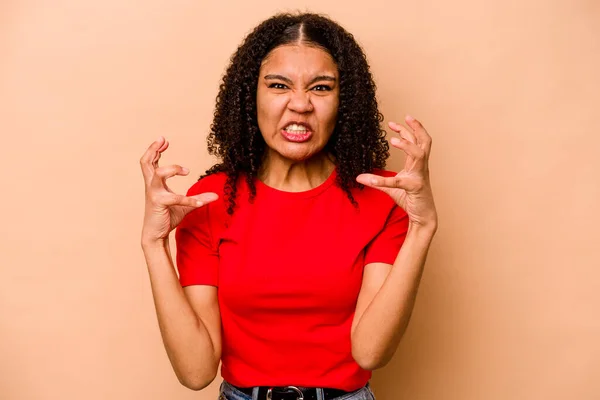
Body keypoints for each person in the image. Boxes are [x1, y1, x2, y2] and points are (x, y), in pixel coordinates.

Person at [140, 12, 437, 400]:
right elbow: (195, 371)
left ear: (344, 102)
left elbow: (370, 350)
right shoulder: (209, 199)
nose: (300, 104)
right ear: (252, 96)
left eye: (321, 87)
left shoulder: (383, 196)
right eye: (279, 85)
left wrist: (422, 227)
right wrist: (153, 243)